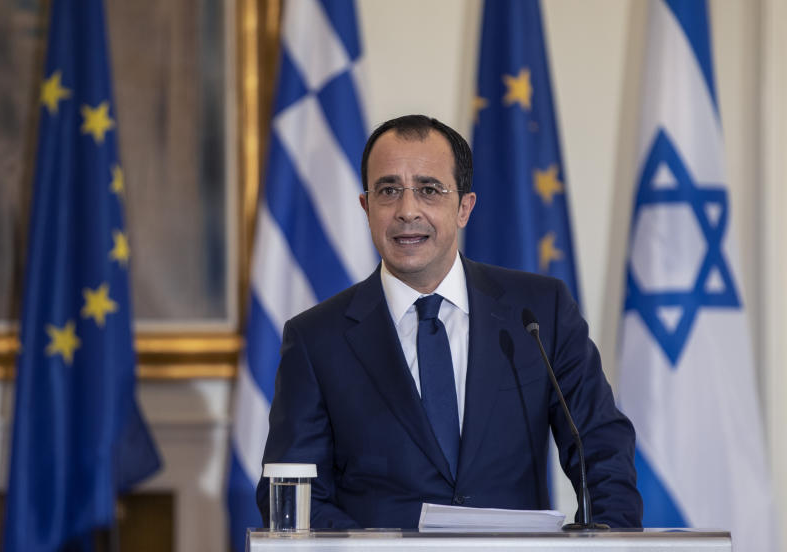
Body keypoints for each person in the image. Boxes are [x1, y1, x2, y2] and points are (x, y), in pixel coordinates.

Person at [256, 114, 642, 529]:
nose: (407, 211)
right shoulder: (316, 338)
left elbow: (601, 450)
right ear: (367, 207)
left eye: (429, 190)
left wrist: (607, 542)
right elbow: (291, 495)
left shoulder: (539, 311)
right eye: (388, 191)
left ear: (464, 207)